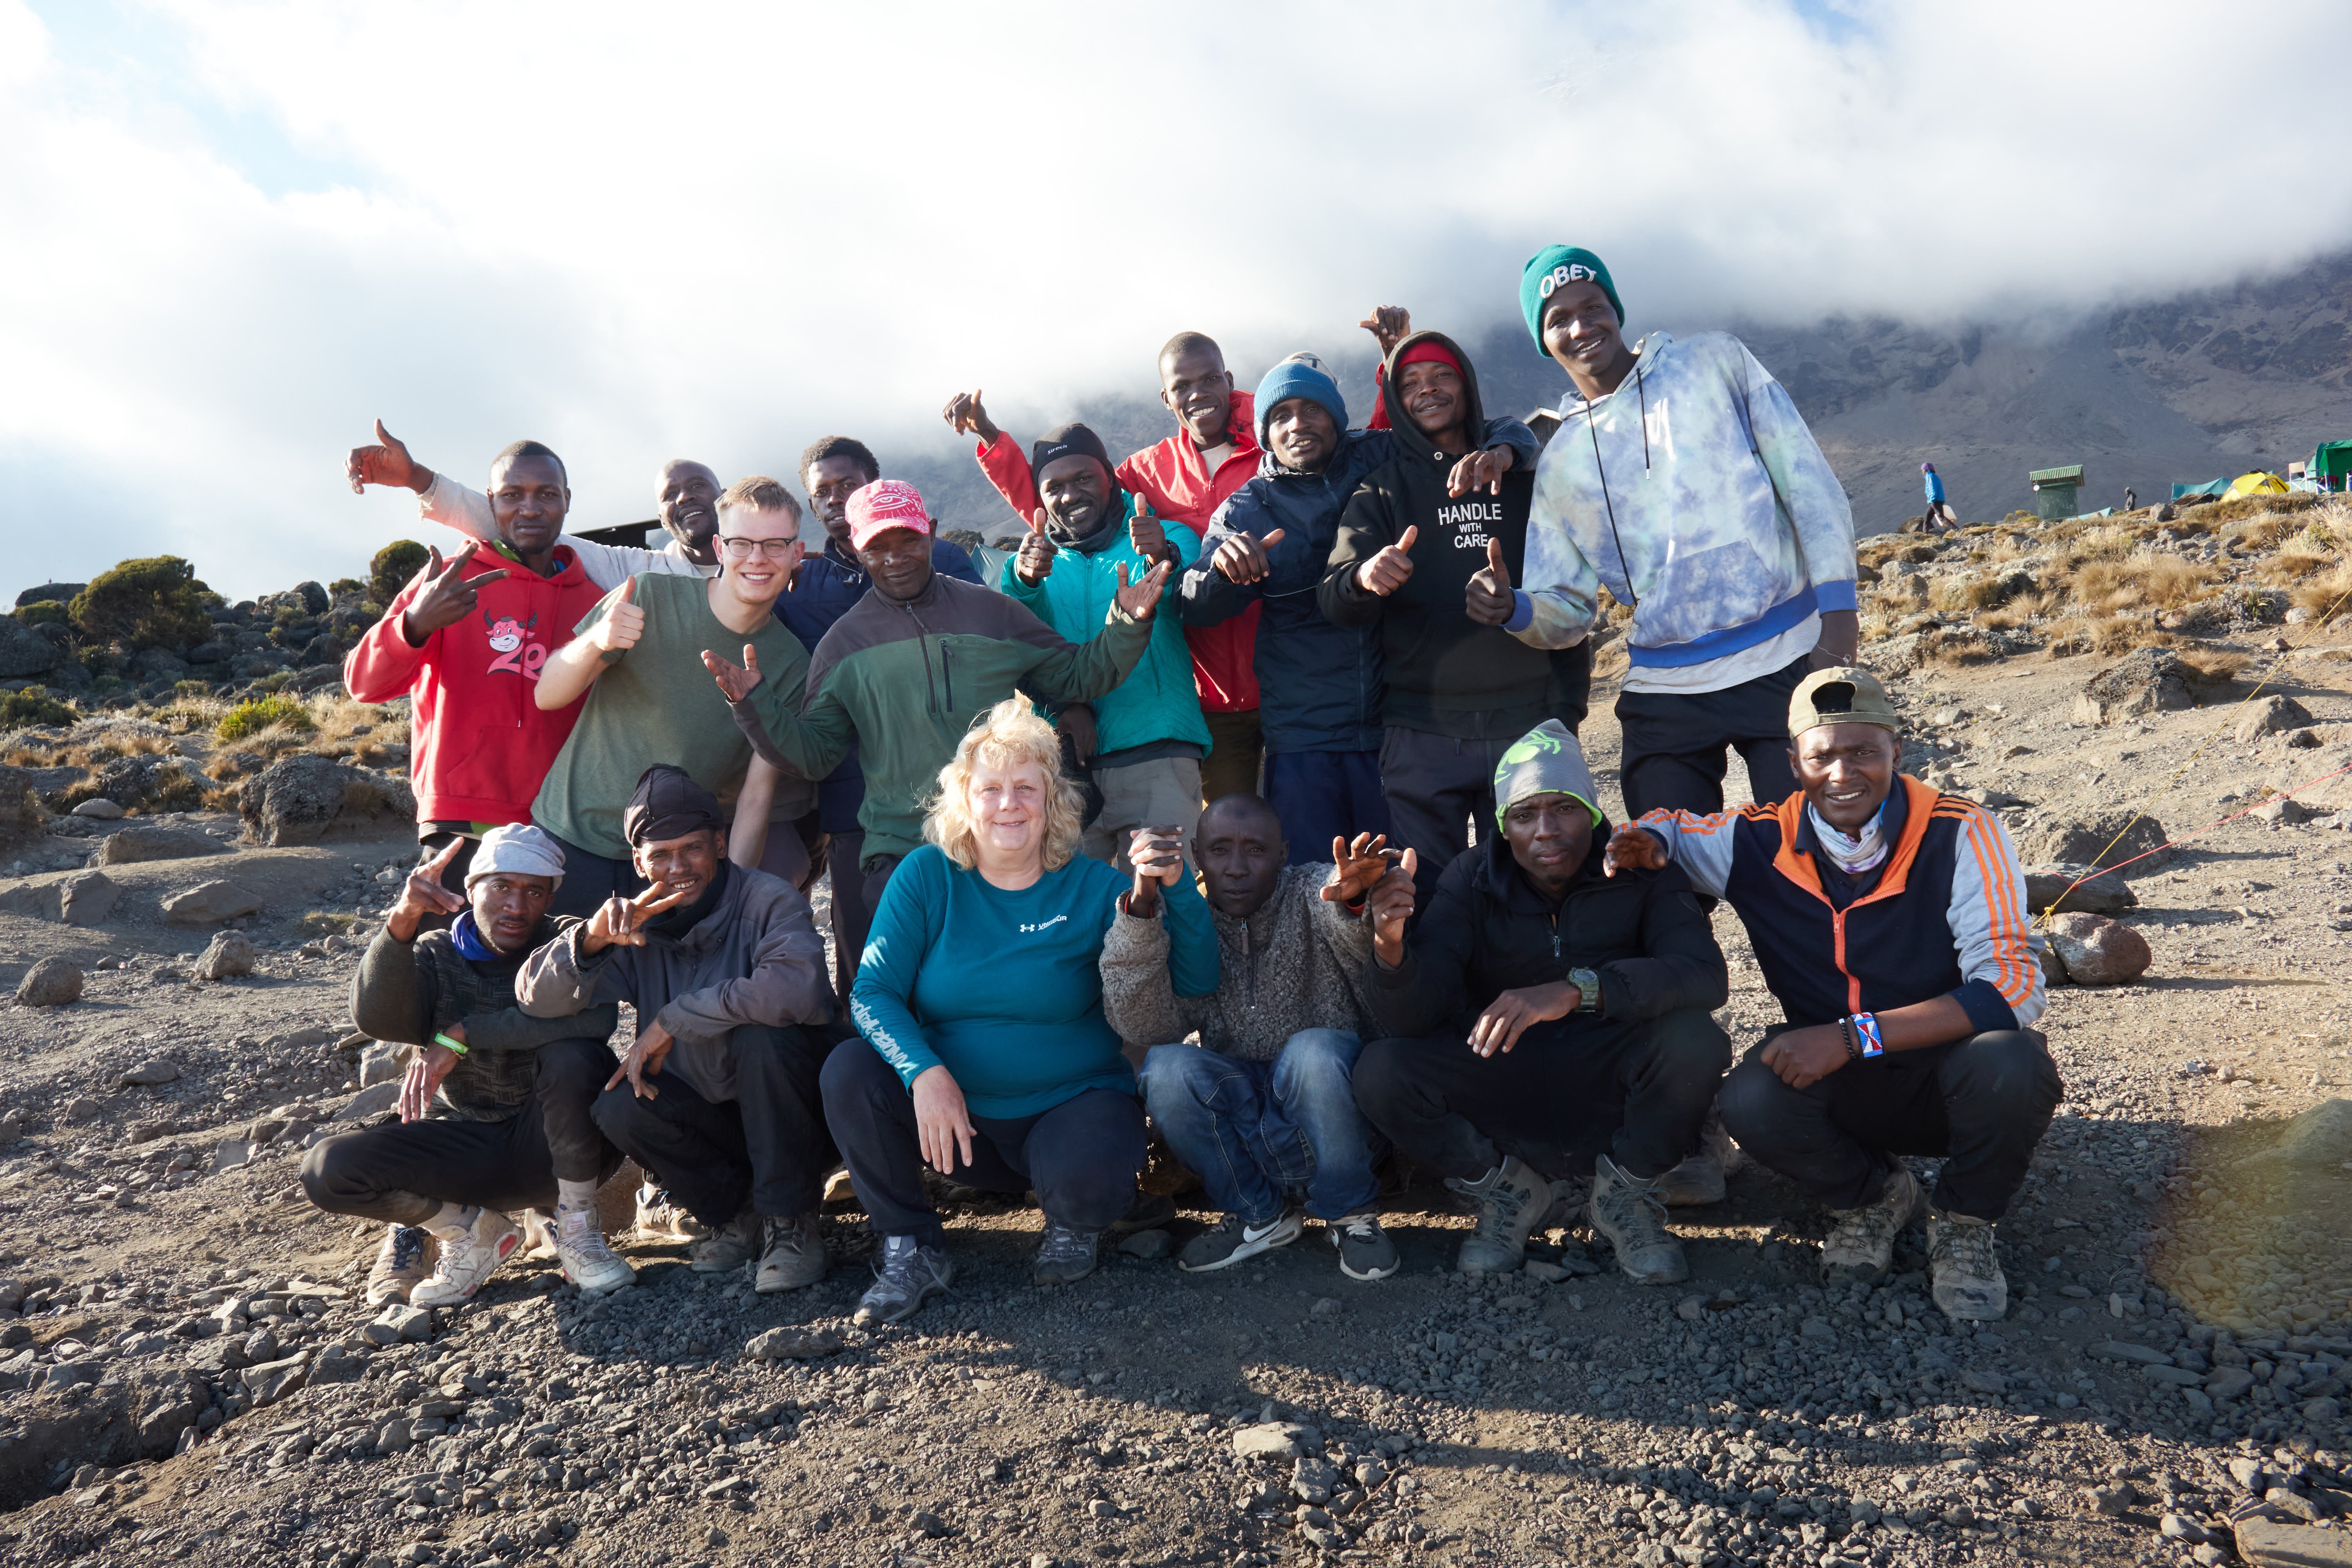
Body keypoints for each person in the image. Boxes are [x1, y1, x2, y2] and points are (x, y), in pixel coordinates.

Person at [1603, 666, 2056, 1320]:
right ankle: (1874, 1198)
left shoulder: (1962, 830)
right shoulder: (1757, 837)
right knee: (1750, 1098)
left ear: (1896, 750)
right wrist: (1641, 841)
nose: (1844, 773)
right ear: (1794, 764)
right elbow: (1670, 828)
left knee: (2013, 1061)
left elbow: (2014, 986)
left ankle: (1964, 1221)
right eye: (1822, 757)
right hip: (1842, 1083)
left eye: (1863, 751)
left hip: (1945, 1072)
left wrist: (1851, 1037)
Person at [820, 698, 1217, 1325]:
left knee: (1090, 1185)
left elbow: (1195, 983)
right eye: (991, 789)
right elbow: (871, 993)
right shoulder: (926, 876)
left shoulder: (1094, 886)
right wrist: (925, 1073)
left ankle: (1072, 1220)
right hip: (953, 1124)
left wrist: (1179, 888)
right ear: (965, 800)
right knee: (849, 1071)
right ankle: (911, 1247)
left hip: (1070, 1106)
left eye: (1026, 789)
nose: (1009, 804)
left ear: (1053, 801)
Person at [708, 478, 1171, 966]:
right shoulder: (843, 645)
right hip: (901, 852)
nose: (895, 558)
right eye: (877, 548)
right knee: (912, 983)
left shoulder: (992, 612)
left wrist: (1127, 621)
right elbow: (815, 756)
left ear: (930, 532)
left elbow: (1078, 676)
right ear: (857, 550)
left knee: (1010, 980)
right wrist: (754, 705)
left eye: (908, 540)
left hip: (999, 840)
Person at [1353, 721, 1731, 1283]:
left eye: (1565, 809)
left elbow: (1704, 976)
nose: (1546, 830)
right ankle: (1508, 1191)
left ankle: (1626, 1192)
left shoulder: (1639, 869)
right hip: (1508, 1075)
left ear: (1593, 813)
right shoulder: (1471, 877)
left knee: (1696, 1041)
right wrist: (1389, 946)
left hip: (1611, 1076)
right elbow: (1411, 1017)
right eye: (1525, 814)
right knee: (1382, 1070)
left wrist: (1580, 989)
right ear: (1503, 826)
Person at [1499, 246, 1859, 822]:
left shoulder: (1716, 363)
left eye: (1593, 307)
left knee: (1812, 849)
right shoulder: (1562, 460)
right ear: (1544, 341)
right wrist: (1514, 608)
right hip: (1665, 686)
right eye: (1559, 320)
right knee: (1662, 858)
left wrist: (1839, 622)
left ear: (1616, 309)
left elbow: (1809, 486)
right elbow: (1568, 613)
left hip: (1787, 652)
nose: (1581, 327)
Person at [1179, 352, 1538, 859]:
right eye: (1281, 416)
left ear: (1336, 417)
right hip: (1306, 734)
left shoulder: (1381, 454)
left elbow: (1488, 429)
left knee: (1404, 875)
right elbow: (1194, 604)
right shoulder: (1247, 509)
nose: (1298, 424)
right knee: (1315, 881)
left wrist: (1504, 451)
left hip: (1399, 722)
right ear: (1265, 434)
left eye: (1312, 409)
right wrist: (1221, 571)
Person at [516, 767, 839, 1293]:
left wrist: (673, 1019)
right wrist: (590, 941)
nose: (678, 867)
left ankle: (792, 1221)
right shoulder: (633, 924)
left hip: (797, 1111)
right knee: (619, 1104)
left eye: (693, 849)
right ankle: (738, 1216)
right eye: (661, 855)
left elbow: (796, 990)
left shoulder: (767, 899)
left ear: (720, 844)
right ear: (639, 862)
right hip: (715, 1118)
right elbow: (535, 999)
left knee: (764, 1036)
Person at [305, 825, 634, 1306]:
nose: (516, 906)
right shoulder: (437, 953)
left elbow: (596, 1020)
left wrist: (464, 1033)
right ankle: (471, 1231)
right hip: (465, 1146)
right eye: (501, 887)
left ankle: (578, 1230)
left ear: (549, 899)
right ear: (471, 888)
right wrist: (403, 919)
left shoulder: (566, 941)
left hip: (557, 1150)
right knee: (328, 1169)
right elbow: (376, 1019)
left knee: (576, 1056)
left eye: (534, 892)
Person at [1321, 330, 1593, 902]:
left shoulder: (1526, 478)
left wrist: (1566, 711)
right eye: (1411, 382)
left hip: (1528, 721)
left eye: (1442, 375)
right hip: (1423, 732)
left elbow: (1572, 596)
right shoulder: (1383, 489)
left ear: (1467, 384)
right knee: (1428, 895)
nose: (1428, 390)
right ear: (1396, 399)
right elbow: (1334, 596)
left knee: (1537, 889)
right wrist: (1365, 577)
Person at [945, 331, 1266, 803]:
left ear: (1229, 380)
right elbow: (1069, 502)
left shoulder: (1277, 438)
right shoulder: (1150, 469)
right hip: (1210, 685)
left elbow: (1353, 460)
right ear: (1166, 397)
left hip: (1285, 668)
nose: (1197, 393)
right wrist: (992, 439)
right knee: (1229, 827)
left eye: (1210, 379)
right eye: (1182, 386)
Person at [1104, 796, 1409, 1280]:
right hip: (1246, 1131)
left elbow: (1341, 913)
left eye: (1256, 850)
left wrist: (1355, 900)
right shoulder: (1191, 920)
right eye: (1220, 850)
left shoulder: (1309, 889)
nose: (1237, 867)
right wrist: (1141, 908)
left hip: (1333, 1127)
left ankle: (1351, 1213)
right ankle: (1258, 1214)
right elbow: (1146, 1026)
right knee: (1164, 1068)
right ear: (1197, 855)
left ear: (1283, 853)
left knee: (1315, 1050)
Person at [530, 476, 812, 917]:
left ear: (797, 554)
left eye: (775, 545)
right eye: (741, 543)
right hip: (572, 839)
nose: (757, 558)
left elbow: (757, 794)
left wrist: (730, 906)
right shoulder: (647, 595)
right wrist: (596, 640)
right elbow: (547, 695)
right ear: (719, 548)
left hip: (675, 868)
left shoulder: (792, 664)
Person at [344, 441, 605, 899]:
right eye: (512, 495)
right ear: (491, 502)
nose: (530, 508)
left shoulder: (597, 601)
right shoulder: (448, 580)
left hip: (561, 823)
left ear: (567, 500)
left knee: (555, 947)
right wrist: (414, 624)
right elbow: (363, 684)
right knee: (443, 945)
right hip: (462, 815)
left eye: (547, 494)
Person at [774, 437, 984, 1004]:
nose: (836, 498)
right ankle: (866, 1049)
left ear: (875, 484)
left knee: (962, 941)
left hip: (952, 786)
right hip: (854, 799)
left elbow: (991, 646)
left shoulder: (942, 560)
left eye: (848, 484)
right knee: (866, 947)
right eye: (822, 491)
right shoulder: (799, 587)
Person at [994, 421, 1207, 870]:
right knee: (1069, 905)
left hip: (1157, 755)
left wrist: (1161, 557)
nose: (1070, 495)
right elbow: (1022, 652)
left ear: (1110, 477)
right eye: (1054, 487)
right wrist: (1025, 583)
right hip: (1066, 766)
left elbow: (1185, 598)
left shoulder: (1167, 537)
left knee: (1167, 897)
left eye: (1084, 478)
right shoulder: (1030, 564)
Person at [346, 421, 720, 584]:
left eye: (697, 485)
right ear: (661, 517)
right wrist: (416, 477)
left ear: (726, 496)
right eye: (669, 495)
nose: (684, 496)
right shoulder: (643, 573)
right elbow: (521, 528)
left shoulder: (759, 562)